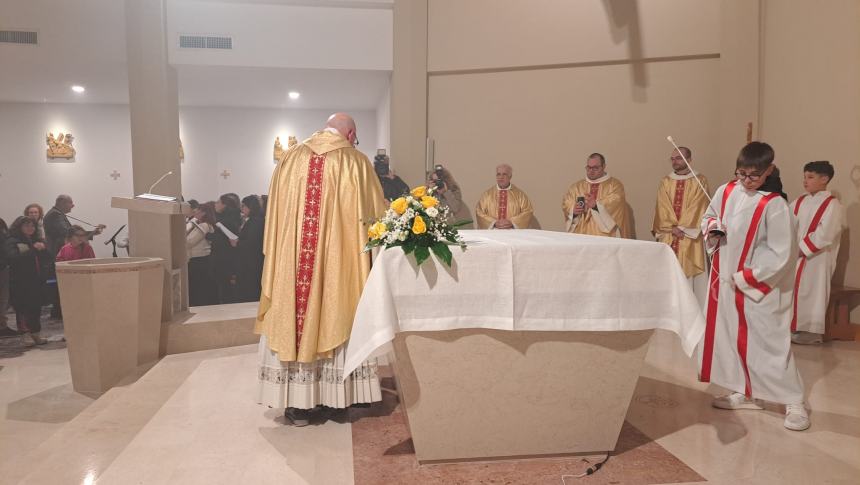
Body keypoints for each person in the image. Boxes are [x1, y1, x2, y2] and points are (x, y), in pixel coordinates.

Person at [255, 113, 387, 426]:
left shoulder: (289, 159)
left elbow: (273, 215)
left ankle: (297, 404)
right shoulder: (355, 162)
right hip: (338, 262)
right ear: (351, 133)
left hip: (293, 261)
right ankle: (335, 399)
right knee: (336, 309)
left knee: (293, 314)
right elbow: (376, 218)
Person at [699, 141, 808, 431]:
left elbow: (782, 253)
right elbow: (708, 216)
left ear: (769, 170)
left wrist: (747, 277)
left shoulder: (774, 205)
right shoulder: (726, 190)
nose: (746, 181)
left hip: (760, 289)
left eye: (754, 176)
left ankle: (795, 401)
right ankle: (747, 392)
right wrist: (713, 229)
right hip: (728, 285)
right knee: (736, 342)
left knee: (771, 345)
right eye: (741, 173)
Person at [790, 161, 846, 345]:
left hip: (817, 258)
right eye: (805, 176)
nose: (805, 181)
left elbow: (826, 233)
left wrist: (802, 248)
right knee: (792, 291)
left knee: (812, 291)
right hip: (795, 256)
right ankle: (790, 328)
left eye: (810, 177)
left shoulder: (833, 204)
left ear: (825, 179)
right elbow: (786, 224)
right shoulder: (798, 202)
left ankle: (810, 332)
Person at [652, 147, 711, 298]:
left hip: (690, 236)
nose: (674, 161)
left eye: (678, 158)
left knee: (691, 279)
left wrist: (683, 227)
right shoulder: (666, 181)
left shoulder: (700, 180)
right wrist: (671, 227)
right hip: (669, 235)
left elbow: (699, 205)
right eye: (672, 158)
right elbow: (662, 205)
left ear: (689, 160)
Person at [562, 153, 631, 238]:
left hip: (605, 237)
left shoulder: (614, 185)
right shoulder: (576, 187)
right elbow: (566, 203)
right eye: (588, 167)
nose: (591, 171)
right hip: (580, 235)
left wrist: (596, 205)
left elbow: (616, 202)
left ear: (604, 166)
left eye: (595, 168)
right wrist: (573, 210)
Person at [5, 216, 48, 345]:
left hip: (36, 279)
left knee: (36, 307)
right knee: (22, 308)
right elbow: (13, 258)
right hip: (20, 281)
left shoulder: (37, 240)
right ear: (19, 227)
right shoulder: (12, 241)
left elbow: (47, 258)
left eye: (32, 226)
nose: (30, 228)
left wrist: (44, 250)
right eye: (26, 225)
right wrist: (33, 249)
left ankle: (36, 333)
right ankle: (24, 334)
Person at [475, 164, 533, 230]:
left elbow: (528, 211)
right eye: (498, 174)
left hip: (512, 233)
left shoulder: (520, 195)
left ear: (510, 176)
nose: (501, 177)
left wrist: (512, 222)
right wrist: (493, 223)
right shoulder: (487, 195)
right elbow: (479, 211)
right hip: (493, 232)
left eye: (504, 174)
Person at [209, 194, 241, 304]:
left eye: (218, 202)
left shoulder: (227, 221)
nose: (215, 204)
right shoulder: (230, 218)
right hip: (224, 257)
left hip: (224, 258)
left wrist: (208, 235)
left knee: (225, 285)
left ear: (224, 205)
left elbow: (220, 239)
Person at [234, 195, 265, 303]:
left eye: (244, 206)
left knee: (250, 289)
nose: (242, 209)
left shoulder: (255, 222)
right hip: (250, 261)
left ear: (251, 207)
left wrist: (237, 243)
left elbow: (252, 243)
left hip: (251, 262)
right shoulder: (252, 220)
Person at [186, 202, 218, 306]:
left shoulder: (204, 225)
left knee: (199, 286)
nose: (195, 212)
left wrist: (190, 223)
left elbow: (189, 242)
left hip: (200, 260)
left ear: (204, 213)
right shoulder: (200, 225)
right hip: (198, 260)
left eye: (198, 210)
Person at [0, 218, 16, 337]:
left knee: (4, 299)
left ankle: (2, 325)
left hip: (3, 267)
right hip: (3, 266)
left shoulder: (2, 226)